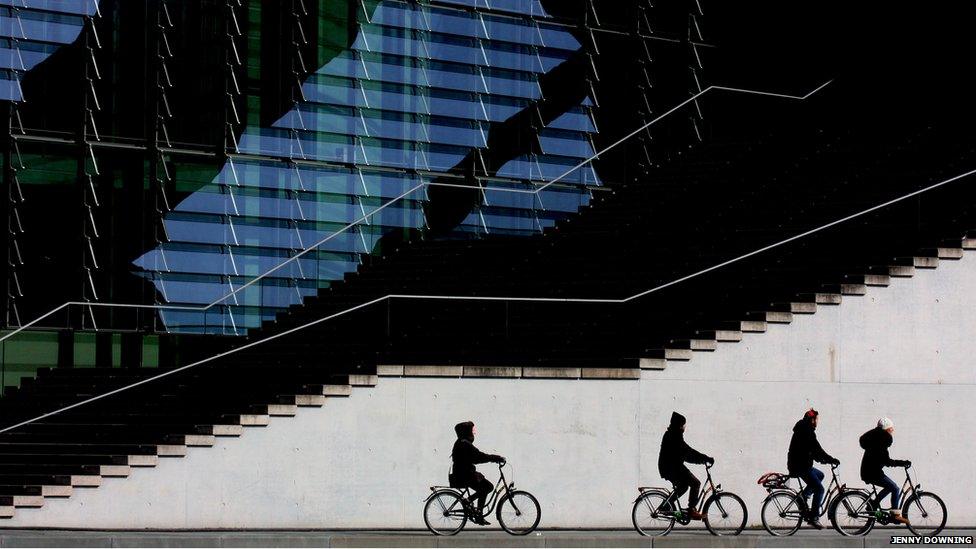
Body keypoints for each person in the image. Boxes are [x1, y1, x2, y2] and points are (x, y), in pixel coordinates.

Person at [787, 408, 840, 529]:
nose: (817, 422)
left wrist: (823, 459)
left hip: (800, 464)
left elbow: (812, 450)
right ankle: (814, 517)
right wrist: (830, 459)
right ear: (812, 420)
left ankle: (804, 496)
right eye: (817, 419)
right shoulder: (807, 431)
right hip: (800, 466)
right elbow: (816, 449)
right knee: (820, 489)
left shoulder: (803, 429)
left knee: (820, 475)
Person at [658, 412, 714, 520]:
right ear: (679, 425)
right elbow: (687, 453)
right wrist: (705, 459)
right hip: (671, 467)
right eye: (683, 424)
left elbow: (687, 451)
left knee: (683, 486)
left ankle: (665, 506)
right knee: (696, 483)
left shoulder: (673, 434)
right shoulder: (674, 436)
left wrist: (703, 458)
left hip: (670, 467)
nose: (685, 427)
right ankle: (692, 510)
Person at [450, 421, 505, 525]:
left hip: (463, 473)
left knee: (485, 486)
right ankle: (469, 503)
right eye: (472, 431)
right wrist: (496, 458)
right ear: (467, 432)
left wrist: (492, 458)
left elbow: (477, 457)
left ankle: (478, 514)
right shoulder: (464, 444)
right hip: (464, 475)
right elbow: (479, 457)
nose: (474, 433)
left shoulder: (461, 442)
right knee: (487, 487)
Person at [859, 417, 911, 525]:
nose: (893, 431)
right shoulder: (881, 440)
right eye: (891, 429)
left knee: (889, 487)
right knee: (895, 488)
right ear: (887, 429)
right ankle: (895, 515)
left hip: (868, 471)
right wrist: (902, 463)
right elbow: (887, 461)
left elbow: (883, 460)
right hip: (873, 473)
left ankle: (873, 504)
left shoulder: (875, 439)